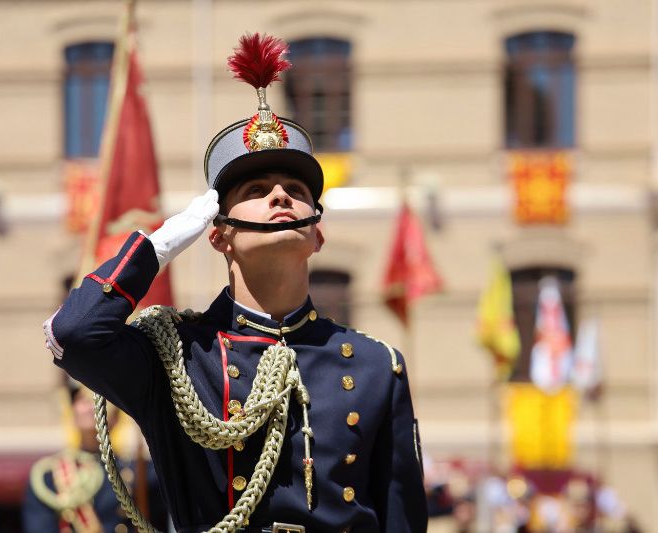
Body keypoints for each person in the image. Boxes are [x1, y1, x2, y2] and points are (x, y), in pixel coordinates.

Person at [44, 33, 428, 532]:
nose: (280, 196)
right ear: (219, 233)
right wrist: (159, 246)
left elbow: (403, 519)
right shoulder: (177, 358)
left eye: (295, 190)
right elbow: (73, 334)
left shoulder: (378, 366)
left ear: (317, 233)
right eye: (255, 189)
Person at [22, 378, 168, 533]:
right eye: (82, 400)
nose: (91, 407)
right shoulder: (49, 476)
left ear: (117, 417)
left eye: (100, 401)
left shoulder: (140, 471)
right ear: (71, 411)